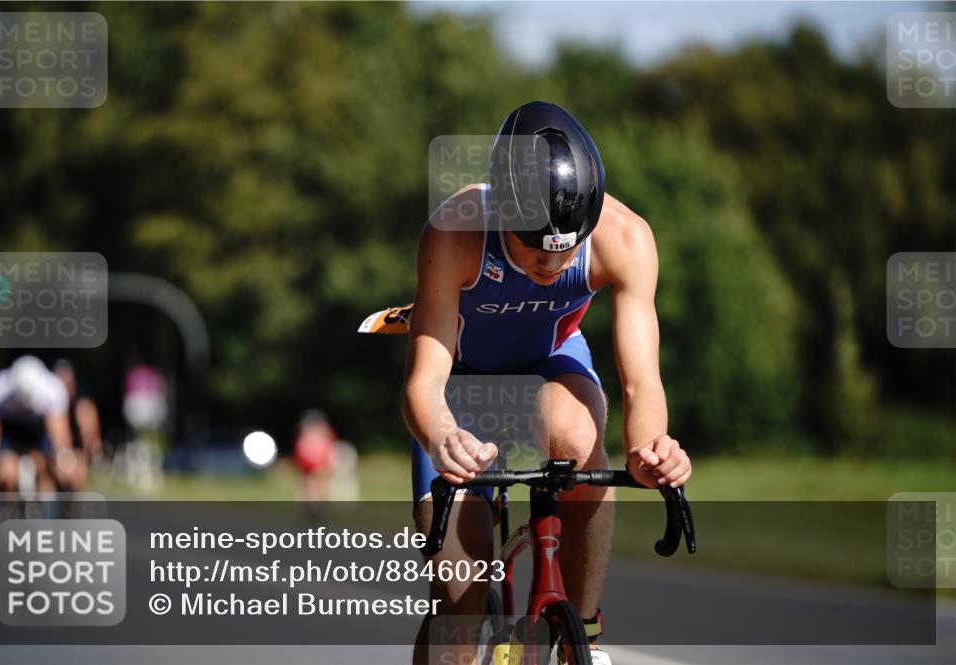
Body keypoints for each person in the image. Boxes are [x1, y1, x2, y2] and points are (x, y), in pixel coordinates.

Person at [402, 101, 692, 665]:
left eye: (567, 249)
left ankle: (581, 632)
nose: (551, 264)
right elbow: (424, 382)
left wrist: (650, 449)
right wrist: (442, 437)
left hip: (550, 364)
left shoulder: (625, 238)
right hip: (459, 388)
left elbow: (641, 385)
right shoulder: (454, 232)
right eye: (533, 248)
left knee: (577, 438)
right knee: (457, 613)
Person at [0, 355, 75, 494]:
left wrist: (62, 462)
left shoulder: (53, 391)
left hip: (38, 435)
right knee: (7, 473)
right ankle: (8, 509)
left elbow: (60, 436)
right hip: (10, 435)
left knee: (50, 473)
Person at [53, 359, 104, 489]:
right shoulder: (48, 404)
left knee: (77, 472)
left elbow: (90, 438)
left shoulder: (83, 405)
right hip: (54, 451)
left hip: (76, 452)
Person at [292, 409, 338, 505]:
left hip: (318, 465)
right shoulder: (322, 436)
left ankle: (315, 505)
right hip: (312, 465)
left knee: (315, 486)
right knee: (312, 486)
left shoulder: (319, 436)